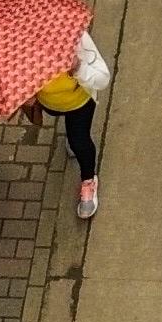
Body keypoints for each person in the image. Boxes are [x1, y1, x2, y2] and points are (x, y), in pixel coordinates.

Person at [30, 20, 113, 219]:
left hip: (79, 104)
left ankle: (88, 180)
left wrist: (79, 68)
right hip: (51, 106)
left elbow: (103, 79)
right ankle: (71, 135)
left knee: (80, 142)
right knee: (71, 130)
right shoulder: (21, 54)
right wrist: (27, 98)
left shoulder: (77, 42)